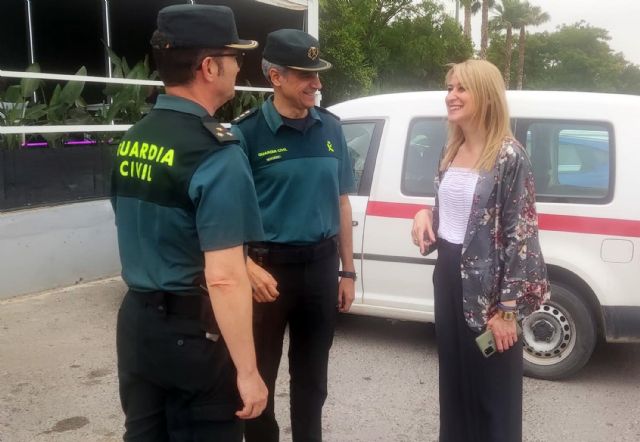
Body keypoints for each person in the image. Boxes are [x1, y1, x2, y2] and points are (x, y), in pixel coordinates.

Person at [112, 5, 268, 440]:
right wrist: (249, 372)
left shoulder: (133, 139)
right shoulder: (217, 152)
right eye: (235, 57)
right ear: (209, 66)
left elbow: (136, 226)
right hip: (193, 336)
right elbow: (223, 277)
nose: (239, 66)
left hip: (137, 326)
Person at [411, 59, 550, 442]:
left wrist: (507, 310)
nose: (450, 96)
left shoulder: (508, 155)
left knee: (493, 391)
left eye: (460, 88)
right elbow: (454, 218)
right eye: (449, 87)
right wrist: (424, 216)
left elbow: (520, 235)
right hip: (449, 278)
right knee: (455, 383)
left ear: (485, 95)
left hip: (490, 293)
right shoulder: (451, 149)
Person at [231, 29, 356, 442]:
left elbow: (341, 204)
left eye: (317, 75)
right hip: (266, 275)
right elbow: (223, 213)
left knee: (312, 380)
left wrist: (348, 272)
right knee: (258, 378)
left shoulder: (331, 129)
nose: (316, 84)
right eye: (306, 75)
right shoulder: (244, 135)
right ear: (275, 77)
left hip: (321, 269)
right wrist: (245, 266)